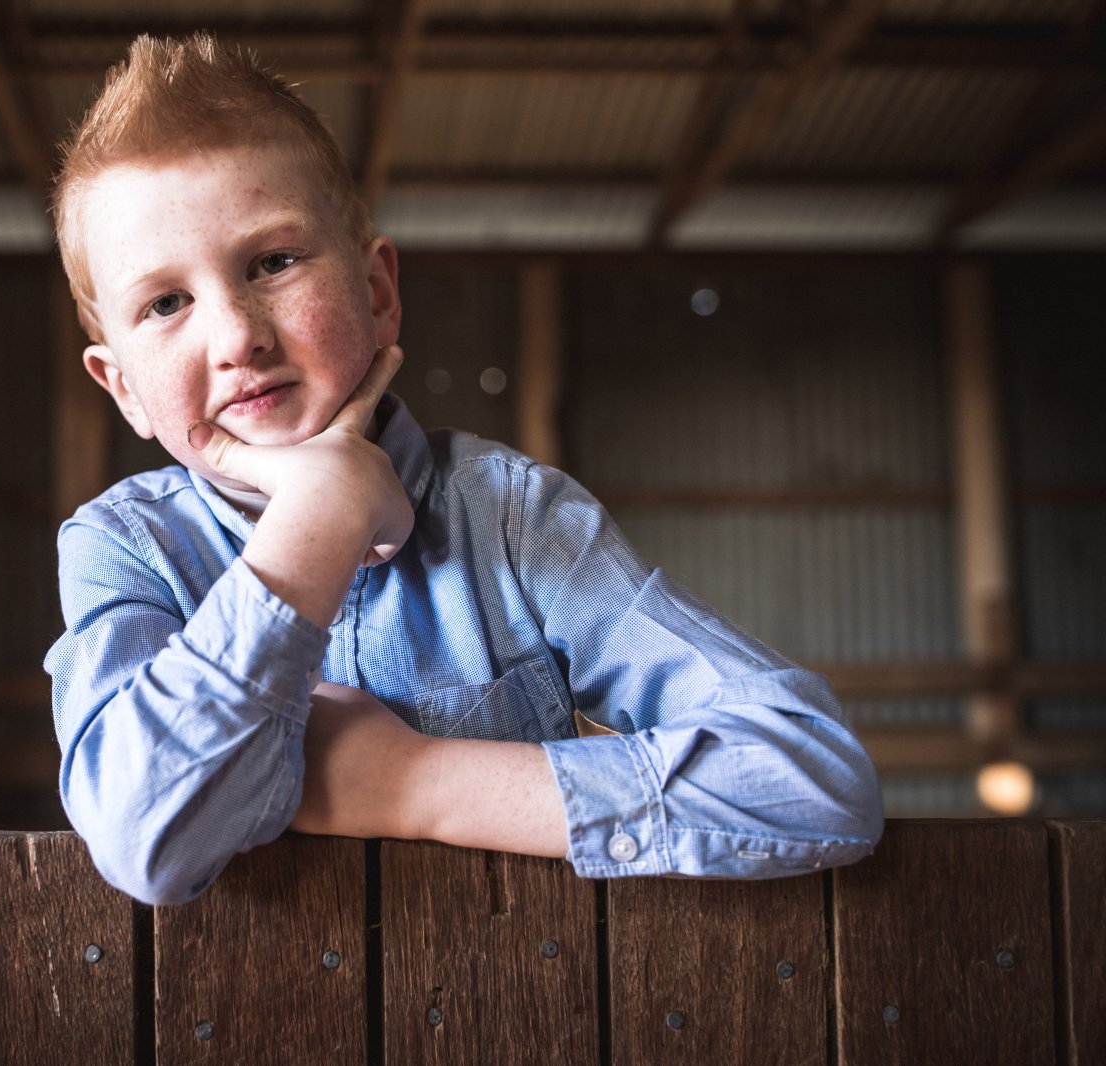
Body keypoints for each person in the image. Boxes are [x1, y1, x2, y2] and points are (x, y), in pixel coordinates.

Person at [43, 32, 883, 906]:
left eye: (274, 262)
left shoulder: (514, 517)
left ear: (378, 295)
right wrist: (315, 521)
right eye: (166, 303)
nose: (236, 336)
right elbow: (143, 838)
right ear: (124, 388)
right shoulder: (124, 549)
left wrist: (413, 782)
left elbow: (812, 778)